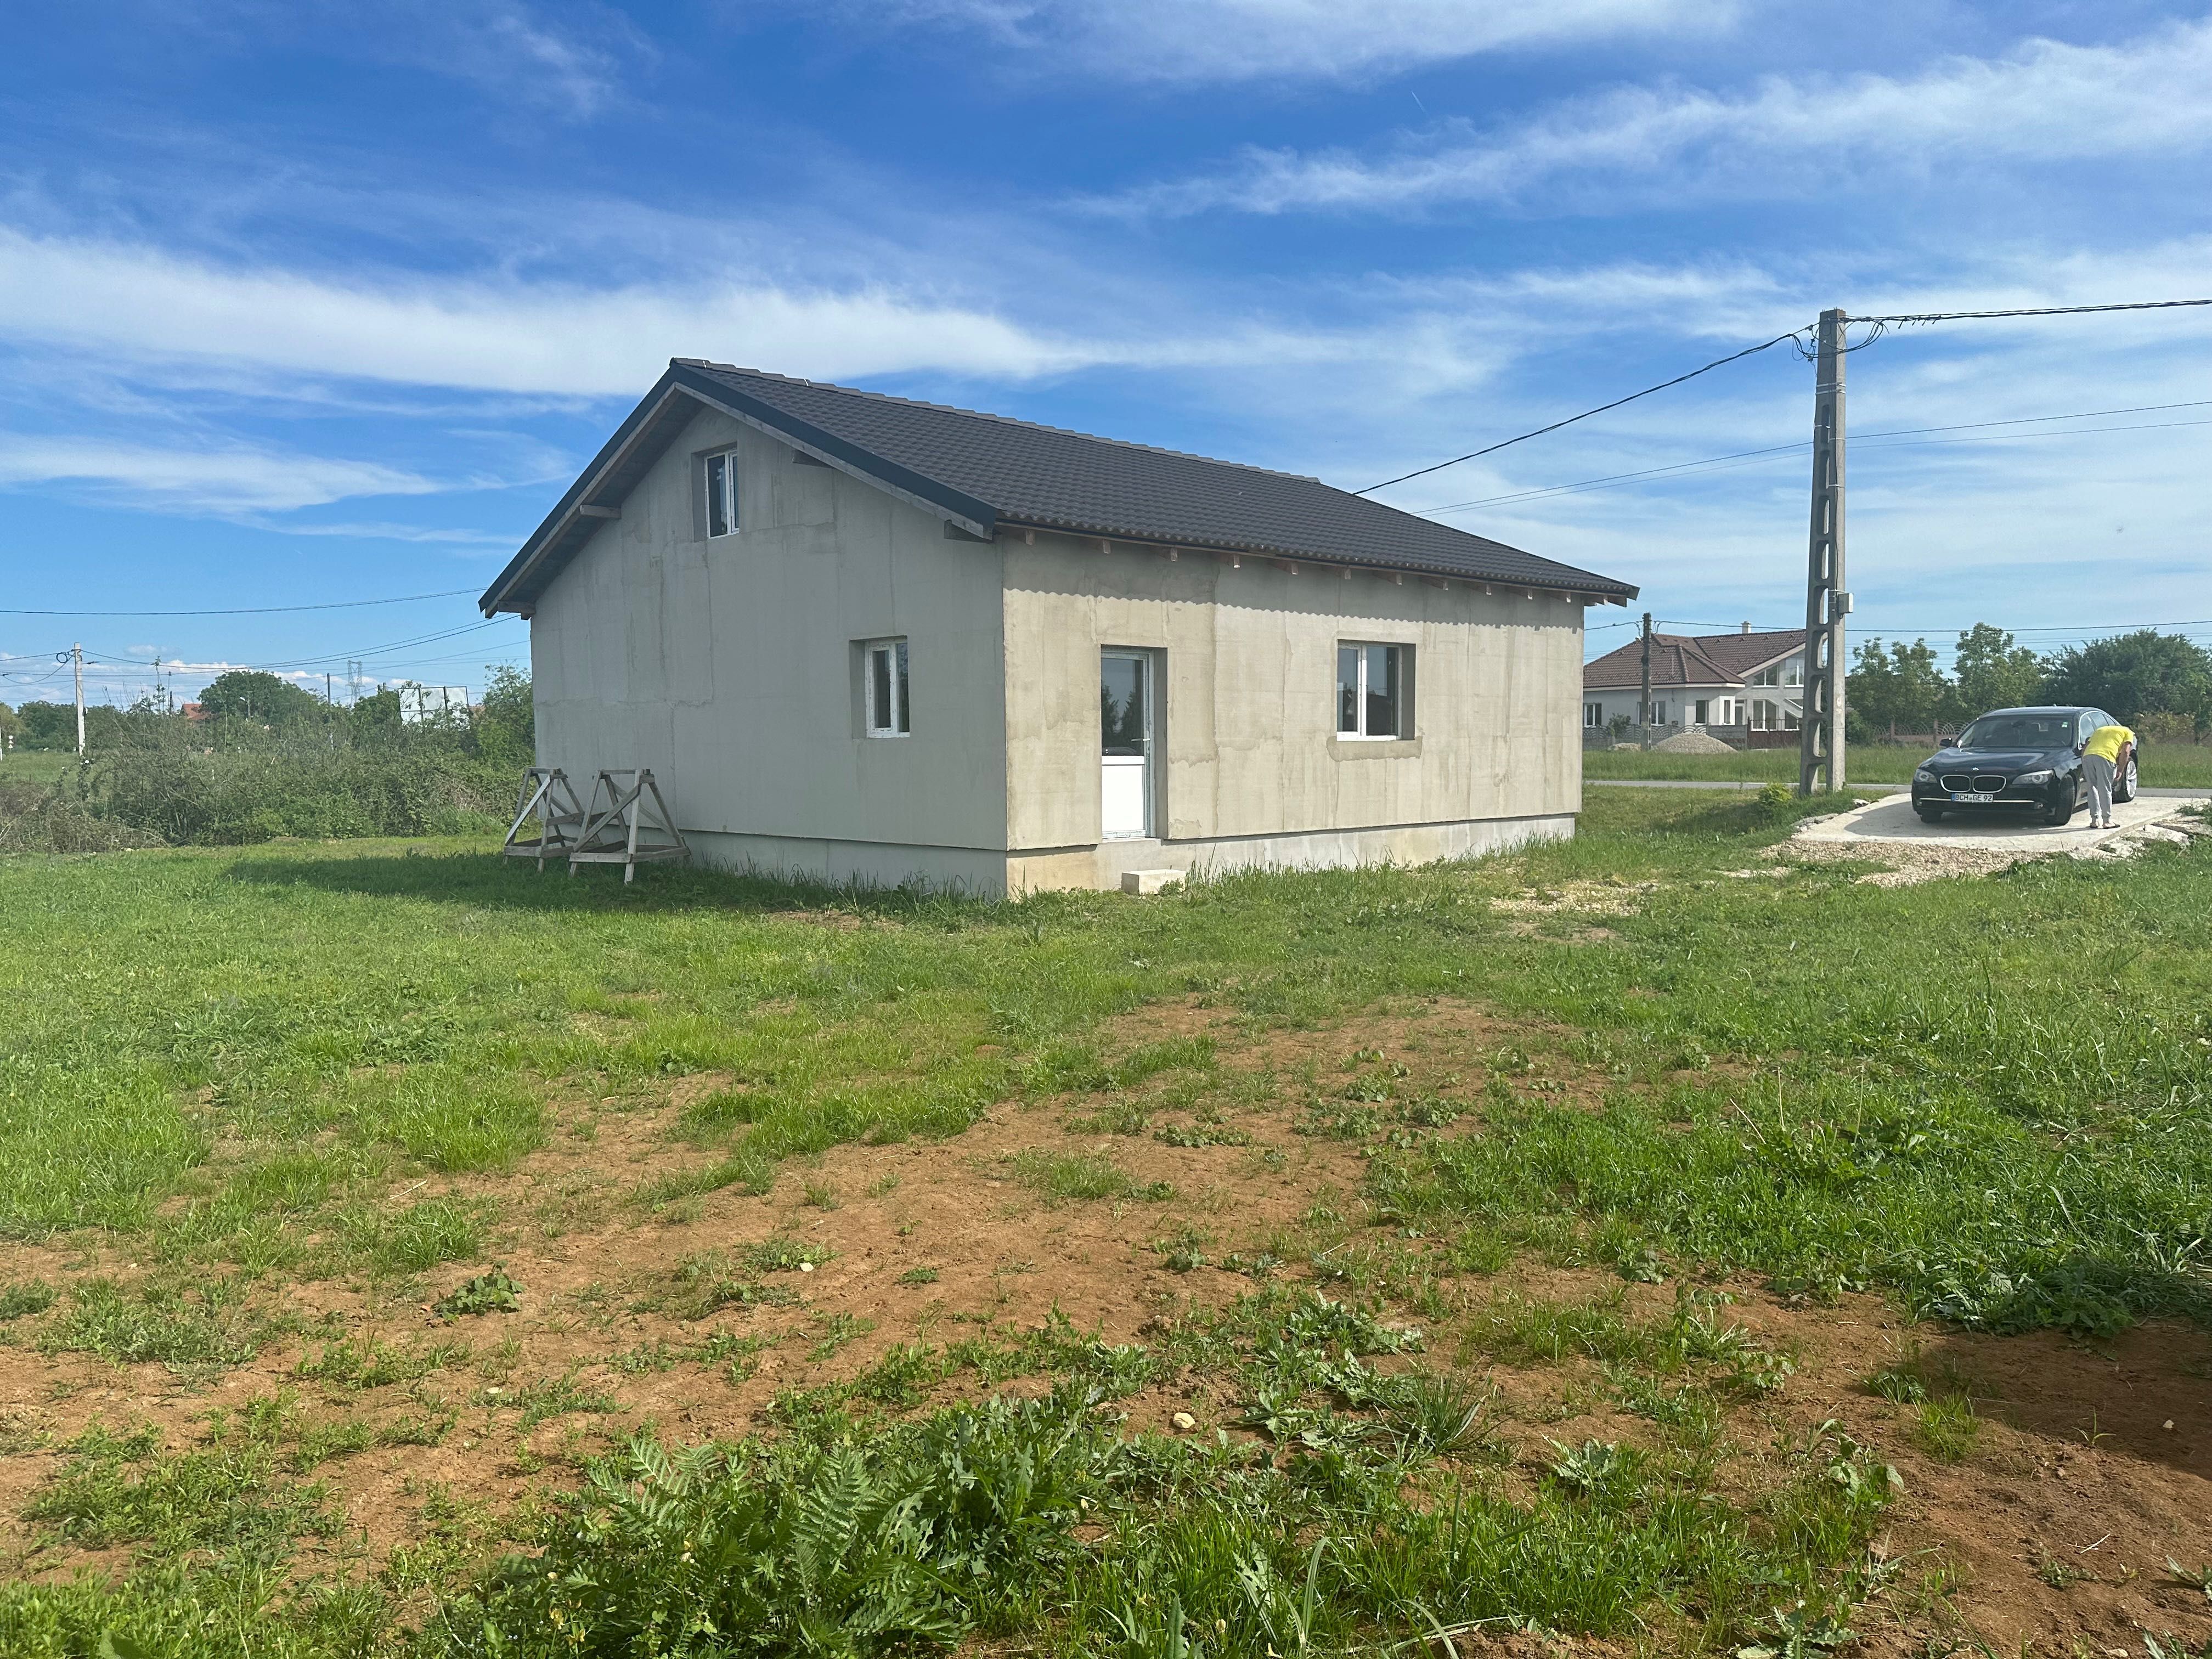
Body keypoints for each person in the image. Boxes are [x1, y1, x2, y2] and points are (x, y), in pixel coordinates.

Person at [2080, 718, 2136, 830]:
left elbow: (2085, 747)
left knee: (2092, 788)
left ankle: (2094, 820)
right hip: (2106, 757)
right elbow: (2126, 751)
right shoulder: (2128, 732)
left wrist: (2084, 764)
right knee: (2105, 789)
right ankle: (2107, 821)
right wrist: (2120, 771)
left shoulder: (2100, 730)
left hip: (2087, 756)